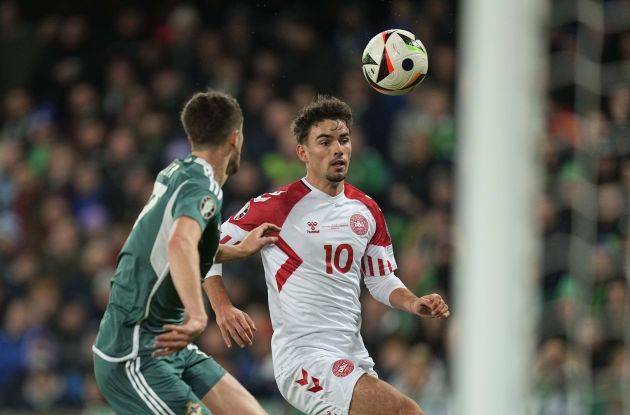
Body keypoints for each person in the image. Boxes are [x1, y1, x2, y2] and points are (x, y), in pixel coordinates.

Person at [205, 95, 450, 415]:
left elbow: (380, 280)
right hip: (304, 357)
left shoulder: (367, 209)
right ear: (303, 153)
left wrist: (413, 302)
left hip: (353, 355)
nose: (338, 149)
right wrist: (222, 307)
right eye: (325, 141)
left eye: (344, 140)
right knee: (404, 411)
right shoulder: (277, 205)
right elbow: (204, 247)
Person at [92, 91, 276, 415]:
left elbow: (180, 246)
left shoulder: (178, 171)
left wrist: (239, 250)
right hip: (134, 351)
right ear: (236, 138)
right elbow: (180, 243)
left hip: (170, 344)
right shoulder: (200, 187)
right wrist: (197, 313)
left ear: (192, 136)